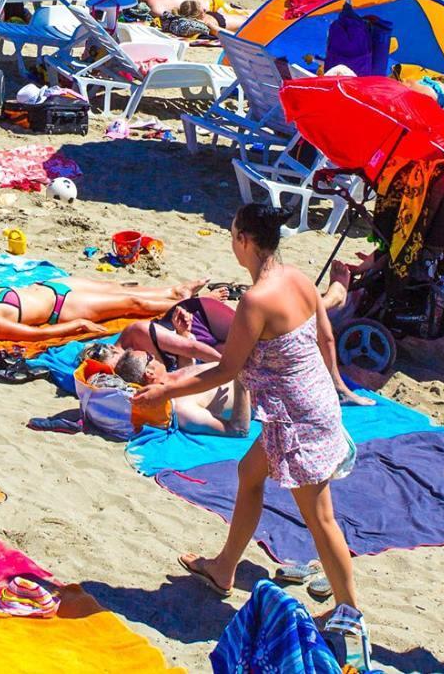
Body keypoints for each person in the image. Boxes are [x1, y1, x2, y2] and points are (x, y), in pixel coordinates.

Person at [131, 204, 366, 641]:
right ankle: (224, 569)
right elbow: (325, 335)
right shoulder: (296, 276)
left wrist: (166, 389)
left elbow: (225, 370)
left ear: (245, 241)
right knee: (248, 473)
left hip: (296, 419)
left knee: (321, 518)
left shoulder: (255, 300)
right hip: (309, 406)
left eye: (232, 232)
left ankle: (349, 613)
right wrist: (339, 386)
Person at [0, 235, 206, 343]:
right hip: (62, 308)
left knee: (116, 287)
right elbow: (32, 335)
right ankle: (185, 307)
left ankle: (175, 291)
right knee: (131, 303)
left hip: (53, 287)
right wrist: (76, 325)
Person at [110, 349, 253, 436]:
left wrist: (183, 333)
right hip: (266, 393)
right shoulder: (182, 409)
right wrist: (241, 378)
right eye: (149, 357)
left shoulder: (171, 378)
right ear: (149, 373)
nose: (153, 355)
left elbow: (194, 374)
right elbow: (239, 430)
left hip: (253, 370)